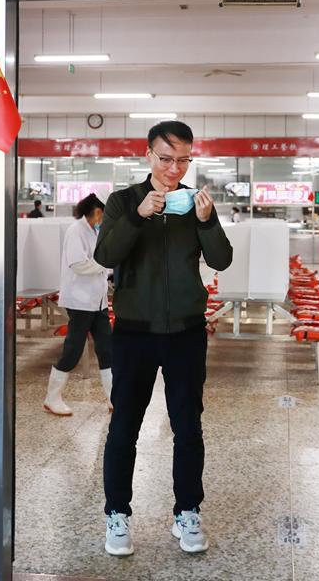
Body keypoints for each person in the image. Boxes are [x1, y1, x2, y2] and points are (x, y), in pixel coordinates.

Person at [94, 120, 233, 557]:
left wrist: (206, 222)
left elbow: (221, 260)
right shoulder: (122, 201)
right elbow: (106, 255)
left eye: (184, 160)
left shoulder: (194, 203)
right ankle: (117, 514)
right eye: (167, 159)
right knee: (124, 426)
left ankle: (187, 511)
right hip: (134, 332)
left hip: (186, 332)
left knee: (188, 427)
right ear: (148, 155)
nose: (175, 169)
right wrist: (138, 216)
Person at [44, 193, 113, 416]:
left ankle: (114, 398)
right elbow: (78, 264)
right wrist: (105, 265)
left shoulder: (94, 231)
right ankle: (52, 398)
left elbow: (99, 262)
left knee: (107, 349)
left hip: (98, 302)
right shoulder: (76, 231)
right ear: (97, 211)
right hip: (80, 301)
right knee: (73, 350)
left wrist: (108, 268)